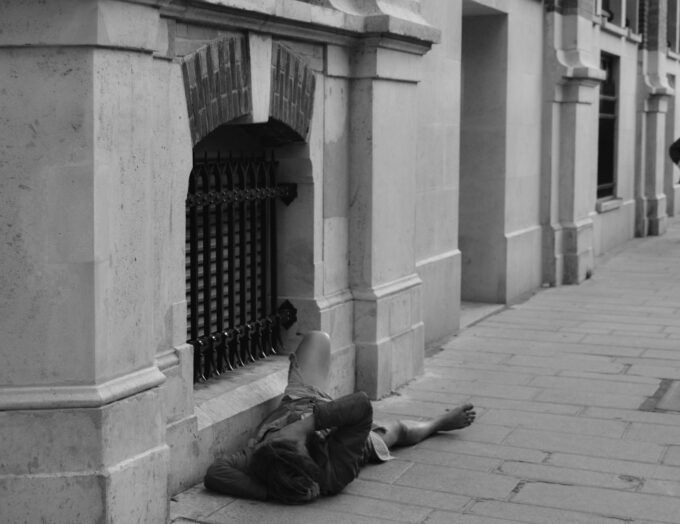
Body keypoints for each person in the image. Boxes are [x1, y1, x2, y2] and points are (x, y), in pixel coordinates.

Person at [204, 331, 476, 504]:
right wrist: (301, 430)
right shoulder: (336, 473)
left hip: (302, 399)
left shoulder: (264, 456)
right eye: (294, 442)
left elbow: (215, 473)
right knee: (398, 430)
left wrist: (268, 491)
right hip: (347, 437)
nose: (283, 435)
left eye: (279, 439)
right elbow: (361, 405)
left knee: (318, 338)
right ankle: (439, 423)